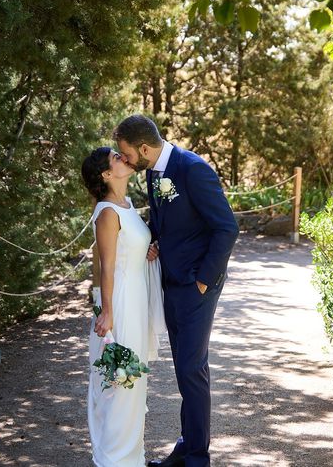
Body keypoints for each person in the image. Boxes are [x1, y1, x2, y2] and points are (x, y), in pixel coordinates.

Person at [113, 115, 239, 467]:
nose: (124, 160)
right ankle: (187, 446)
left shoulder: (193, 169)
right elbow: (164, 221)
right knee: (185, 369)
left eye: (126, 153)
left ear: (143, 148)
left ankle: (198, 457)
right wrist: (153, 241)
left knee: (191, 367)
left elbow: (227, 228)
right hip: (172, 281)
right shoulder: (154, 171)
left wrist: (203, 279)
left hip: (197, 286)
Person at [82, 146, 165, 467]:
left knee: (136, 381)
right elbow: (107, 266)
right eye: (115, 158)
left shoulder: (127, 204)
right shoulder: (106, 212)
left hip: (137, 297)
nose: (122, 157)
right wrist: (108, 313)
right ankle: (114, 458)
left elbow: (130, 248)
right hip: (120, 304)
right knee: (120, 381)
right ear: (106, 174)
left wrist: (146, 253)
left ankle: (132, 457)